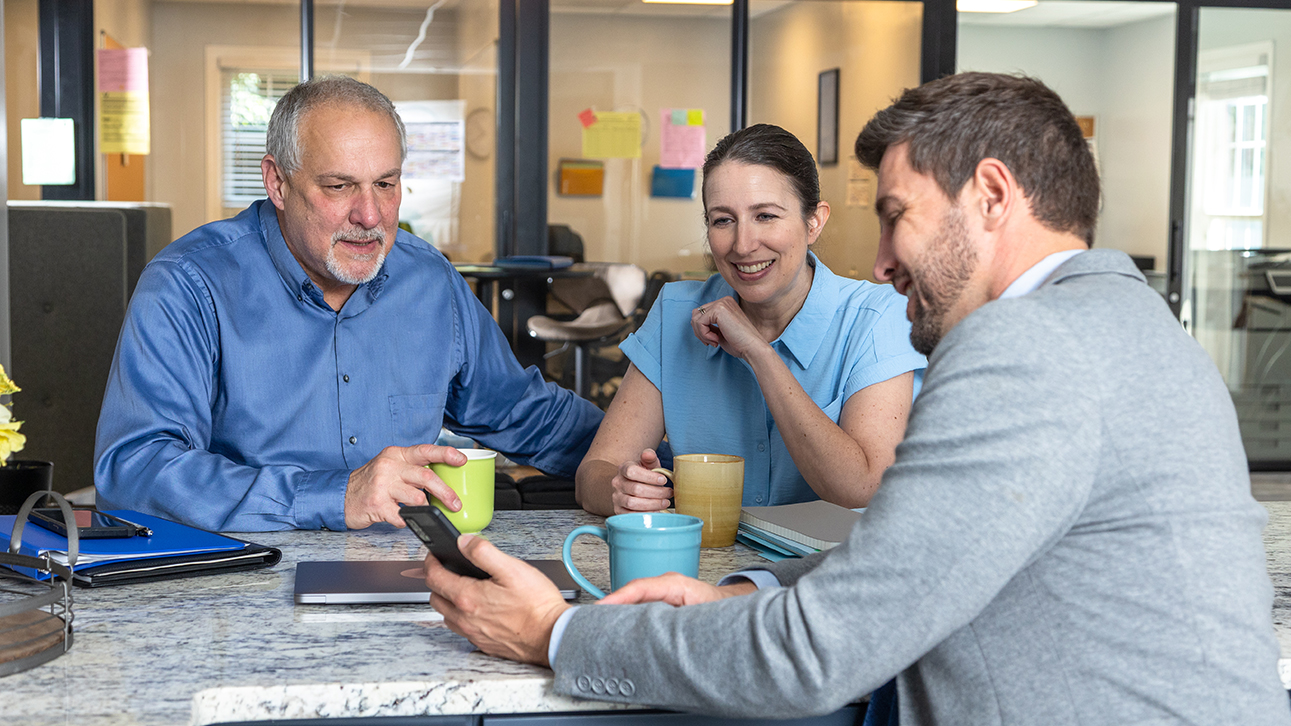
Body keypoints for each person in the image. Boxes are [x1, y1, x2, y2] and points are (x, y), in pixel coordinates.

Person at [421, 72, 1290, 725]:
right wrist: (747, 589)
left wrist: (556, 637)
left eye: (896, 214)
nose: (879, 261)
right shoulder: (1134, 326)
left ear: (990, 196)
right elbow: (924, 557)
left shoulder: (1020, 346)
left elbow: (816, 656)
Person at [93, 76, 603, 532]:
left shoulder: (430, 280)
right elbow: (135, 469)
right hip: (242, 581)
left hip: (407, 567)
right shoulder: (189, 285)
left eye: (386, 184)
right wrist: (336, 496)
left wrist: (646, 458)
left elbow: (520, 411)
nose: (370, 215)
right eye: (339, 186)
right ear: (277, 182)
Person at [576, 124, 925, 515]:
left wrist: (758, 353)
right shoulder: (676, 310)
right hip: (705, 562)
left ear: (814, 222)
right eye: (723, 220)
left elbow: (863, 488)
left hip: (825, 571)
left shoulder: (878, 317)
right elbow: (594, 472)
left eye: (765, 216)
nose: (743, 245)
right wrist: (621, 491)